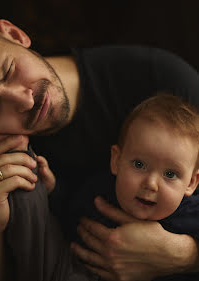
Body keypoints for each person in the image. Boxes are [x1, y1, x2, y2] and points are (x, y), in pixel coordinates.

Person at [0, 17, 199, 281]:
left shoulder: (161, 81)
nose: (24, 100)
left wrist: (183, 255)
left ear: (15, 34)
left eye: (9, 71)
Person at [33, 93, 199, 281]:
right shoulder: (99, 192)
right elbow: (69, 210)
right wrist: (52, 189)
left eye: (170, 174)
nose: (151, 184)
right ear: (116, 160)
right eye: (139, 165)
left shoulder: (192, 213)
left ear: (191, 183)